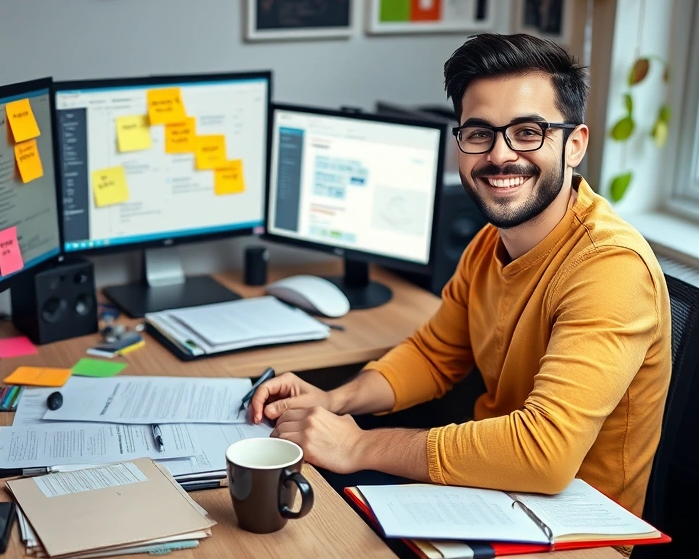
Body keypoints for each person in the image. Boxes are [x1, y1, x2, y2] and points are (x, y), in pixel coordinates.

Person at [249, 33, 672, 518]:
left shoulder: (610, 268)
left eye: (529, 132)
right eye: (479, 133)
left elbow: (546, 453)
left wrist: (357, 447)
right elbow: (433, 355)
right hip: (490, 493)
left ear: (574, 144)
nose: (499, 155)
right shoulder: (492, 241)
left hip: (575, 526)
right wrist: (335, 399)